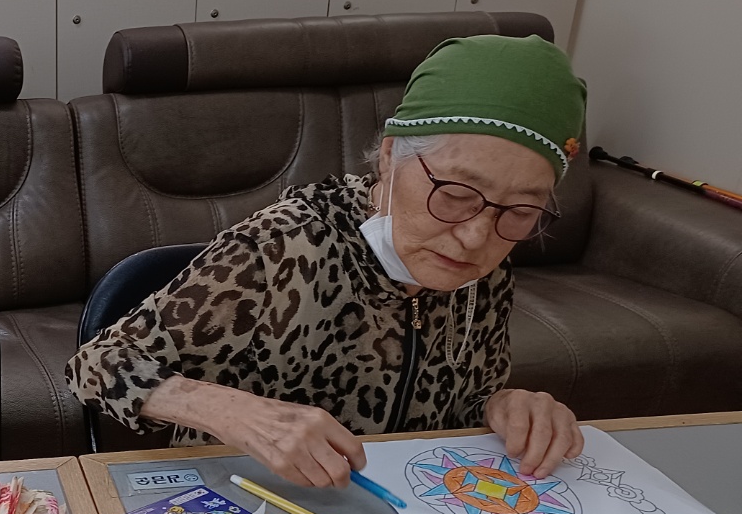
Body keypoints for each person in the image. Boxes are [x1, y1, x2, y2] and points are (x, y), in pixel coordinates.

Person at [67, 34, 588, 488]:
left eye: (521, 211)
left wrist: (503, 406)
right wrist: (234, 412)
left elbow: (465, 397)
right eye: (454, 194)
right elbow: (97, 366)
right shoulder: (281, 248)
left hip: (408, 507)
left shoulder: (485, 267)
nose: (475, 237)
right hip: (253, 509)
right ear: (391, 156)